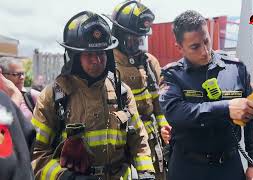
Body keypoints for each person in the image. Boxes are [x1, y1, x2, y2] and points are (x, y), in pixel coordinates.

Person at [31, 11, 155, 180]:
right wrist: (66, 177)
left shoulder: (122, 92)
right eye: (89, 54)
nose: (96, 61)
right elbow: (36, 154)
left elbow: (139, 143)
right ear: (75, 56)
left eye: (101, 53)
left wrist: (147, 173)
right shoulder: (54, 96)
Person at [159, 10, 253, 180]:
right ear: (179, 47)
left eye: (206, 41)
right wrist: (226, 108)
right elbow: (176, 113)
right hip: (187, 168)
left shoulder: (235, 69)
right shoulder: (172, 75)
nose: (204, 51)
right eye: (195, 47)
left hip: (228, 166)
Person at [105, 1, 169, 179]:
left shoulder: (150, 62)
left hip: (151, 146)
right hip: (119, 148)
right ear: (117, 33)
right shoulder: (105, 63)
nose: (137, 43)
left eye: (141, 38)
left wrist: (163, 124)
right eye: (132, 38)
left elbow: (158, 103)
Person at [0, 69, 36, 180]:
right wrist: (14, 99)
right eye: (16, 74)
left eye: (23, 73)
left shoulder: (32, 96)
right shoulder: (4, 101)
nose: (21, 77)